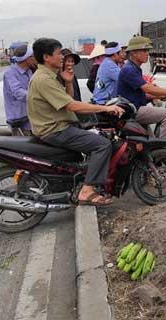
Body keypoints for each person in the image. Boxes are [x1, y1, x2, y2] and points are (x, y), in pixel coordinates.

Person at [27, 38, 125, 206]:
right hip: (56, 129)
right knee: (102, 145)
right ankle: (87, 190)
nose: (62, 58)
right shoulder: (44, 79)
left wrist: (68, 81)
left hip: (59, 126)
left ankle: (84, 180)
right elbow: (72, 105)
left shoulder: (49, 76)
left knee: (96, 134)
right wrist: (105, 109)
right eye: (59, 54)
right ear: (47, 57)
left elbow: (68, 99)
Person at [116, 36, 166, 141]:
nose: (147, 53)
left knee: (150, 142)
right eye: (144, 50)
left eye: (147, 50)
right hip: (133, 111)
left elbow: (140, 93)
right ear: (133, 53)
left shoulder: (133, 67)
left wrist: (161, 96)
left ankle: (158, 152)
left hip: (134, 108)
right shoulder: (129, 69)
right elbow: (146, 88)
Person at [3, 44, 38, 135]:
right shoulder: (10, 73)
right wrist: (39, 98)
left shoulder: (30, 71)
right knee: (24, 147)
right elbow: (18, 92)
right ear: (27, 58)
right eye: (33, 56)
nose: (35, 59)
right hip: (19, 121)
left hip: (31, 118)